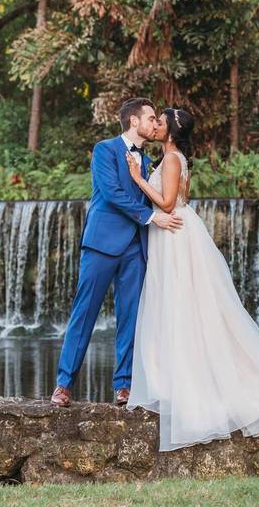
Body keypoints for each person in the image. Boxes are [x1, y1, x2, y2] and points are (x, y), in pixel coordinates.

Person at [125, 107, 259, 450]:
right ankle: (178, 379)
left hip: (175, 235)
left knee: (181, 305)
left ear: (172, 131)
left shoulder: (174, 158)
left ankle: (187, 383)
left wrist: (137, 179)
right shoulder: (175, 158)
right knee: (184, 306)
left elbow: (166, 205)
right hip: (178, 231)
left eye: (160, 122)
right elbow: (183, 199)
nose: (156, 126)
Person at [51, 98, 184, 408]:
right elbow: (111, 194)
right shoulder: (104, 150)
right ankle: (63, 384)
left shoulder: (150, 162)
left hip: (135, 248)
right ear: (134, 121)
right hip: (101, 244)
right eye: (151, 118)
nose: (155, 123)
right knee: (84, 313)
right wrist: (152, 218)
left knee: (131, 318)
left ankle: (124, 386)